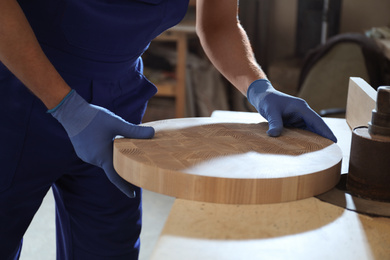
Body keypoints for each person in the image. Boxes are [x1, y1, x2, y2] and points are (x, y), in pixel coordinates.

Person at [0, 0, 337, 259]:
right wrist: (66, 107)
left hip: (118, 110)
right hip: (18, 89)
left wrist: (259, 88)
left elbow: (219, 24)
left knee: (108, 247)